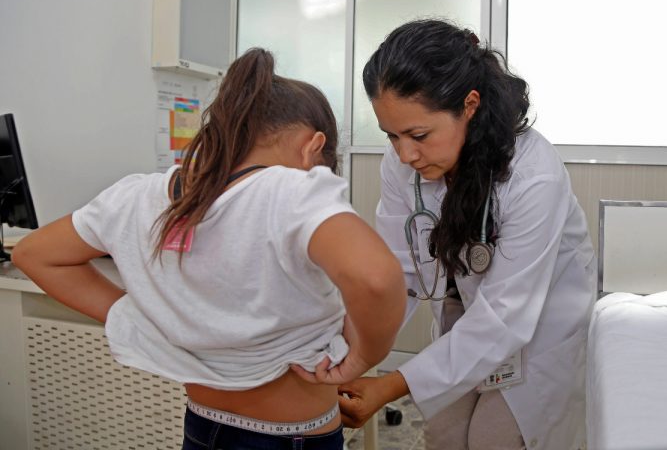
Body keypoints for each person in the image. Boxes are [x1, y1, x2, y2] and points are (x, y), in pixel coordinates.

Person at [11, 48, 406, 450]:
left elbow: (32, 254)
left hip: (202, 427)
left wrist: (135, 315)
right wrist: (364, 356)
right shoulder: (290, 189)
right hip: (291, 437)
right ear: (312, 147)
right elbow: (376, 278)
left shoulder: (140, 195)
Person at [297, 20, 596, 450]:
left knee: (493, 440)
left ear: (469, 105)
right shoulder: (402, 163)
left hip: (540, 327)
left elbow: (504, 319)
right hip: (467, 312)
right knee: (445, 435)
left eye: (418, 135)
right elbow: (398, 273)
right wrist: (349, 351)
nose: (405, 154)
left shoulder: (534, 176)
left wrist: (390, 385)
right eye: (391, 136)